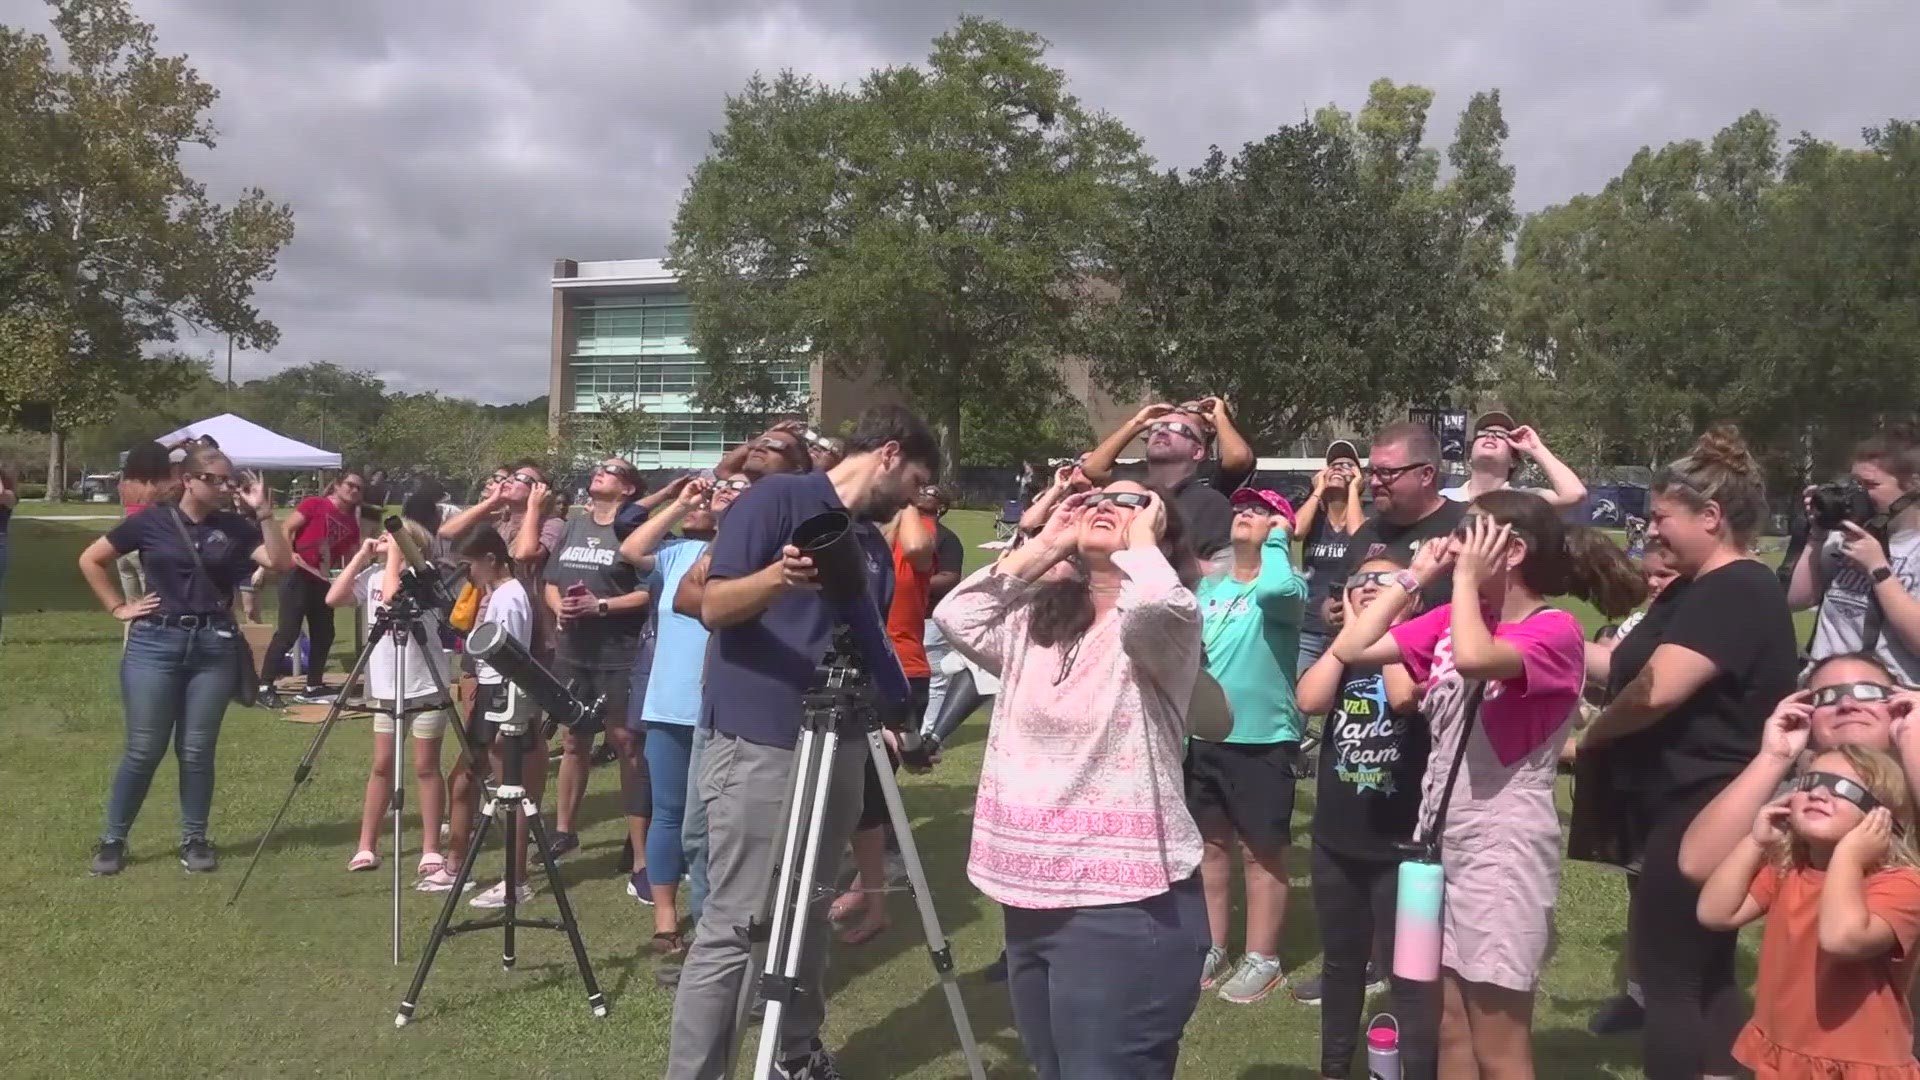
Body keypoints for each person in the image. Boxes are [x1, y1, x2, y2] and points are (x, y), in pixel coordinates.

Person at [1331, 491, 1644, 1079]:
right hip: (1436, 840)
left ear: (1513, 548)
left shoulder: (1555, 632)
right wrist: (1411, 578)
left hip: (1503, 845)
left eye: (1469, 531)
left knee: (1499, 1042)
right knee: (1447, 1023)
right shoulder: (1456, 618)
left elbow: (1475, 659)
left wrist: (1464, 583)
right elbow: (1353, 647)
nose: (1452, 542)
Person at [666, 405, 934, 1080]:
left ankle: (794, 1051)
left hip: (839, 740)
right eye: (916, 481)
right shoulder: (778, 499)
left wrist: (889, 712)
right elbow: (713, 607)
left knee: (810, 903)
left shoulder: (869, 546)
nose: (914, 500)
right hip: (761, 742)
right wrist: (779, 578)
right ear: (891, 454)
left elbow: (860, 643)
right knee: (737, 922)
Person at [934, 481, 1206, 1079]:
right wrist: (1050, 542)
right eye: (1097, 498)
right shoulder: (1038, 621)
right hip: (1030, 898)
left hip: (1125, 907)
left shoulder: (1164, 628)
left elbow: (1158, 606)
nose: (1107, 506)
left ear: (1160, 530)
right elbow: (956, 615)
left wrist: (1139, 544)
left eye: (1133, 501)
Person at [1581, 425, 1797, 1080]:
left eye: (1660, 517)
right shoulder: (1696, 590)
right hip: (1685, 800)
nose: (1650, 531)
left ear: (1711, 517)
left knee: (1673, 978)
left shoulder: (1736, 589)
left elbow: (1654, 691)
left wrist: (1589, 736)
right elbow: (1625, 667)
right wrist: (1541, 642)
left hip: (1707, 804)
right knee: (1705, 972)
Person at [78, 443, 291, 875]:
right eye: (214, 479)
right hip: (155, 644)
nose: (224, 487)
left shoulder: (235, 527)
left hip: (213, 646)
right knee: (143, 748)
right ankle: (113, 840)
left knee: (197, 750)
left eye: (228, 480)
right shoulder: (152, 522)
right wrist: (119, 607)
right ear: (188, 480)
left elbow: (281, 562)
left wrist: (265, 514)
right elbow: (91, 559)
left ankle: (194, 839)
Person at [1698, 744, 1920, 1078]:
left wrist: (1848, 856)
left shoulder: (1902, 885)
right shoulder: (1791, 869)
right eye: (1810, 781)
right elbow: (1715, 913)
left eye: (1843, 788)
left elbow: (1841, 940)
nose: (1818, 793)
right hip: (1785, 1051)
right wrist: (1756, 842)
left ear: (1881, 817)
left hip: (1857, 1062)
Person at [1291, 553, 1427, 1073]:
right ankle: (1334, 1066)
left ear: (1412, 594)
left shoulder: (1422, 650)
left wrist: (1389, 629)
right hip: (1337, 841)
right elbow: (1310, 700)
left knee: (1409, 973)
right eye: (1361, 581)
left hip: (1405, 848)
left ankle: (1413, 1066)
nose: (1370, 586)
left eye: (1386, 580)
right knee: (1342, 964)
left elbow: (1402, 701)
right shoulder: (1343, 654)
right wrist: (1351, 636)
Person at [619, 475, 747, 953]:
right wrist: (680, 504)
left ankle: (714, 915)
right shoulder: (679, 554)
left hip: (723, 709)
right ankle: (667, 918)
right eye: (722, 488)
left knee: (716, 819)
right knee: (669, 813)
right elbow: (632, 550)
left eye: (739, 488)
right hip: (669, 705)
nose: (724, 492)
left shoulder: (755, 557)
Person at [1190, 487, 1308, 1004]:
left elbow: (1273, 593)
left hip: (1264, 740)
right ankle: (1212, 944)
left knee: (1261, 852)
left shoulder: (1285, 585)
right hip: (1204, 736)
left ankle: (1264, 958)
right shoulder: (1207, 588)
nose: (1246, 515)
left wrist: (1280, 541)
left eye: (1261, 511)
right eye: (1242, 509)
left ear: (1281, 527)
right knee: (1210, 847)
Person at [828, 498, 937, 946]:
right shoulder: (855, 541)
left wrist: (906, 499)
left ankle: (870, 897)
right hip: (853, 669)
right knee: (859, 804)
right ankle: (870, 895)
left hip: (899, 672)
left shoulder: (921, 535)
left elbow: (913, 545)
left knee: (871, 799)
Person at [420, 528, 544, 905]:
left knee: (511, 790)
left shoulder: (509, 596)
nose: (467, 573)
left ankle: (516, 880)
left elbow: (508, 654)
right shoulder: (496, 594)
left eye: (470, 564)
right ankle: (456, 865)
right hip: (490, 692)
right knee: (462, 779)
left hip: (503, 694)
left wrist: (505, 711)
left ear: (491, 559)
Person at [323, 523, 453, 875]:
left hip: (424, 684)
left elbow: (396, 596)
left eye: (389, 536)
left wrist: (396, 554)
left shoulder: (421, 578)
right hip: (385, 687)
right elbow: (333, 598)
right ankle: (367, 844)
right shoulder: (375, 574)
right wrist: (361, 557)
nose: (381, 540)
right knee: (382, 764)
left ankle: (430, 848)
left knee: (426, 766)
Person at [542, 458, 653, 861]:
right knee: (574, 740)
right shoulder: (574, 526)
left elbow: (649, 590)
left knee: (625, 742)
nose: (600, 471)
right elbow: (551, 581)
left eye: (613, 470)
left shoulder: (637, 531)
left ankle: (638, 837)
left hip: (620, 653)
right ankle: (564, 831)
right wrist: (559, 609)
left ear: (628, 489)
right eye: (600, 468)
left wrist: (601, 606)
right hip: (574, 651)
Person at [1788, 424, 1920, 684]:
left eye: (1870, 485)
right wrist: (1818, 534)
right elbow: (1798, 600)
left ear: (1913, 486)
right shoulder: (1844, 537)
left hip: (1892, 702)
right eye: (1853, 483)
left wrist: (1878, 570)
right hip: (1825, 692)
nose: (1857, 494)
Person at [1328, 421, 1467, 632]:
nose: (1374, 482)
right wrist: (1331, 612)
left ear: (1426, 475)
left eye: (1386, 472)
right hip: (1362, 662)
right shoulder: (1366, 533)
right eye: (1371, 472)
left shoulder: (1465, 527)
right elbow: (1334, 599)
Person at [1081, 398, 1252, 559]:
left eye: (1178, 428)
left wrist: (1220, 417)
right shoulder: (1135, 477)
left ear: (1198, 451)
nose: (1162, 430)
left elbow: (1239, 457)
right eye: (1156, 427)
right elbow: (1092, 468)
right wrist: (1136, 423)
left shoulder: (1210, 491)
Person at [259, 470, 364, 705]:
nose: (354, 490)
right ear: (337, 486)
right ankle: (264, 685)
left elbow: (351, 555)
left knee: (325, 633)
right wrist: (289, 555)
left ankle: (313, 685)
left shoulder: (351, 524)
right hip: (297, 574)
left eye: (359, 488)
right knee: (288, 632)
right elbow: (286, 527)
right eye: (350, 485)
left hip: (321, 580)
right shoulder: (315, 504)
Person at [1294, 440, 1367, 673]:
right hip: (1309, 625)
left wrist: (1355, 490)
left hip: (1350, 626)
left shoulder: (1368, 518)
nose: (1338, 468)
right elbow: (1295, 531)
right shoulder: (1314, 518)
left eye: (1347, 465)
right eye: (1333, 465)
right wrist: (1317, 490)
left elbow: (1359, 539)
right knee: (1300, 699)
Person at [1440, 411, 1589, 510]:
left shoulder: (1523, 501)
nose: (1490, 436)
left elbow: (1574, 494)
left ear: (1513, 461)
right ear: (1469, 457)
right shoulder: (1442, 498)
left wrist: (1536, 448)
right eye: (1484, 432)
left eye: (1501, 435)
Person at [916, 484, 968, 734]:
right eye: (922, 489)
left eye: (932, 493)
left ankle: (928, 732)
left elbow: (950, 577)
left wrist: (911, 584)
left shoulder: (947, 539)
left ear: (942, 507)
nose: (924, 493)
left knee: (934, 676)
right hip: (897, 615)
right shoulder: (899, 530)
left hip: (929, 618)